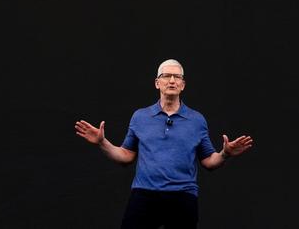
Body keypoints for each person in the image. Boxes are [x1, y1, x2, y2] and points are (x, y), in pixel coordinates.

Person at [74, 59, 253, 228]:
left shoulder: (197, 120)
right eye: (166, 76)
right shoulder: (140, 117)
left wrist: (225, 153)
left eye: (177, 77)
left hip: (183, 196)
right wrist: (102, 142)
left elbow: (209, 161)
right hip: (144, 195)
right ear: (157, 83)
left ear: (183, 85)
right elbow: (126, 156)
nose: (172, 80)